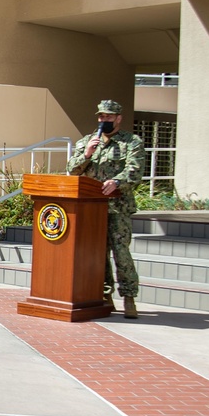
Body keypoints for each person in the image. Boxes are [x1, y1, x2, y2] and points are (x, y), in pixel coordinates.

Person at [66, 99, 145, 319]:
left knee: (121, 253)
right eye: (101, 117)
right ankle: (104, 295)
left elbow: (135, 170)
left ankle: (129, 297)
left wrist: (117, 182)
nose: (104, 120)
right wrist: (88, 153)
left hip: (118, 208)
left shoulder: (131, 142)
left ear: (118, 118)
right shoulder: (87, 141)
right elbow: (72, 170)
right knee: (97, 255)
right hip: (92, 210)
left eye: (109, 117)